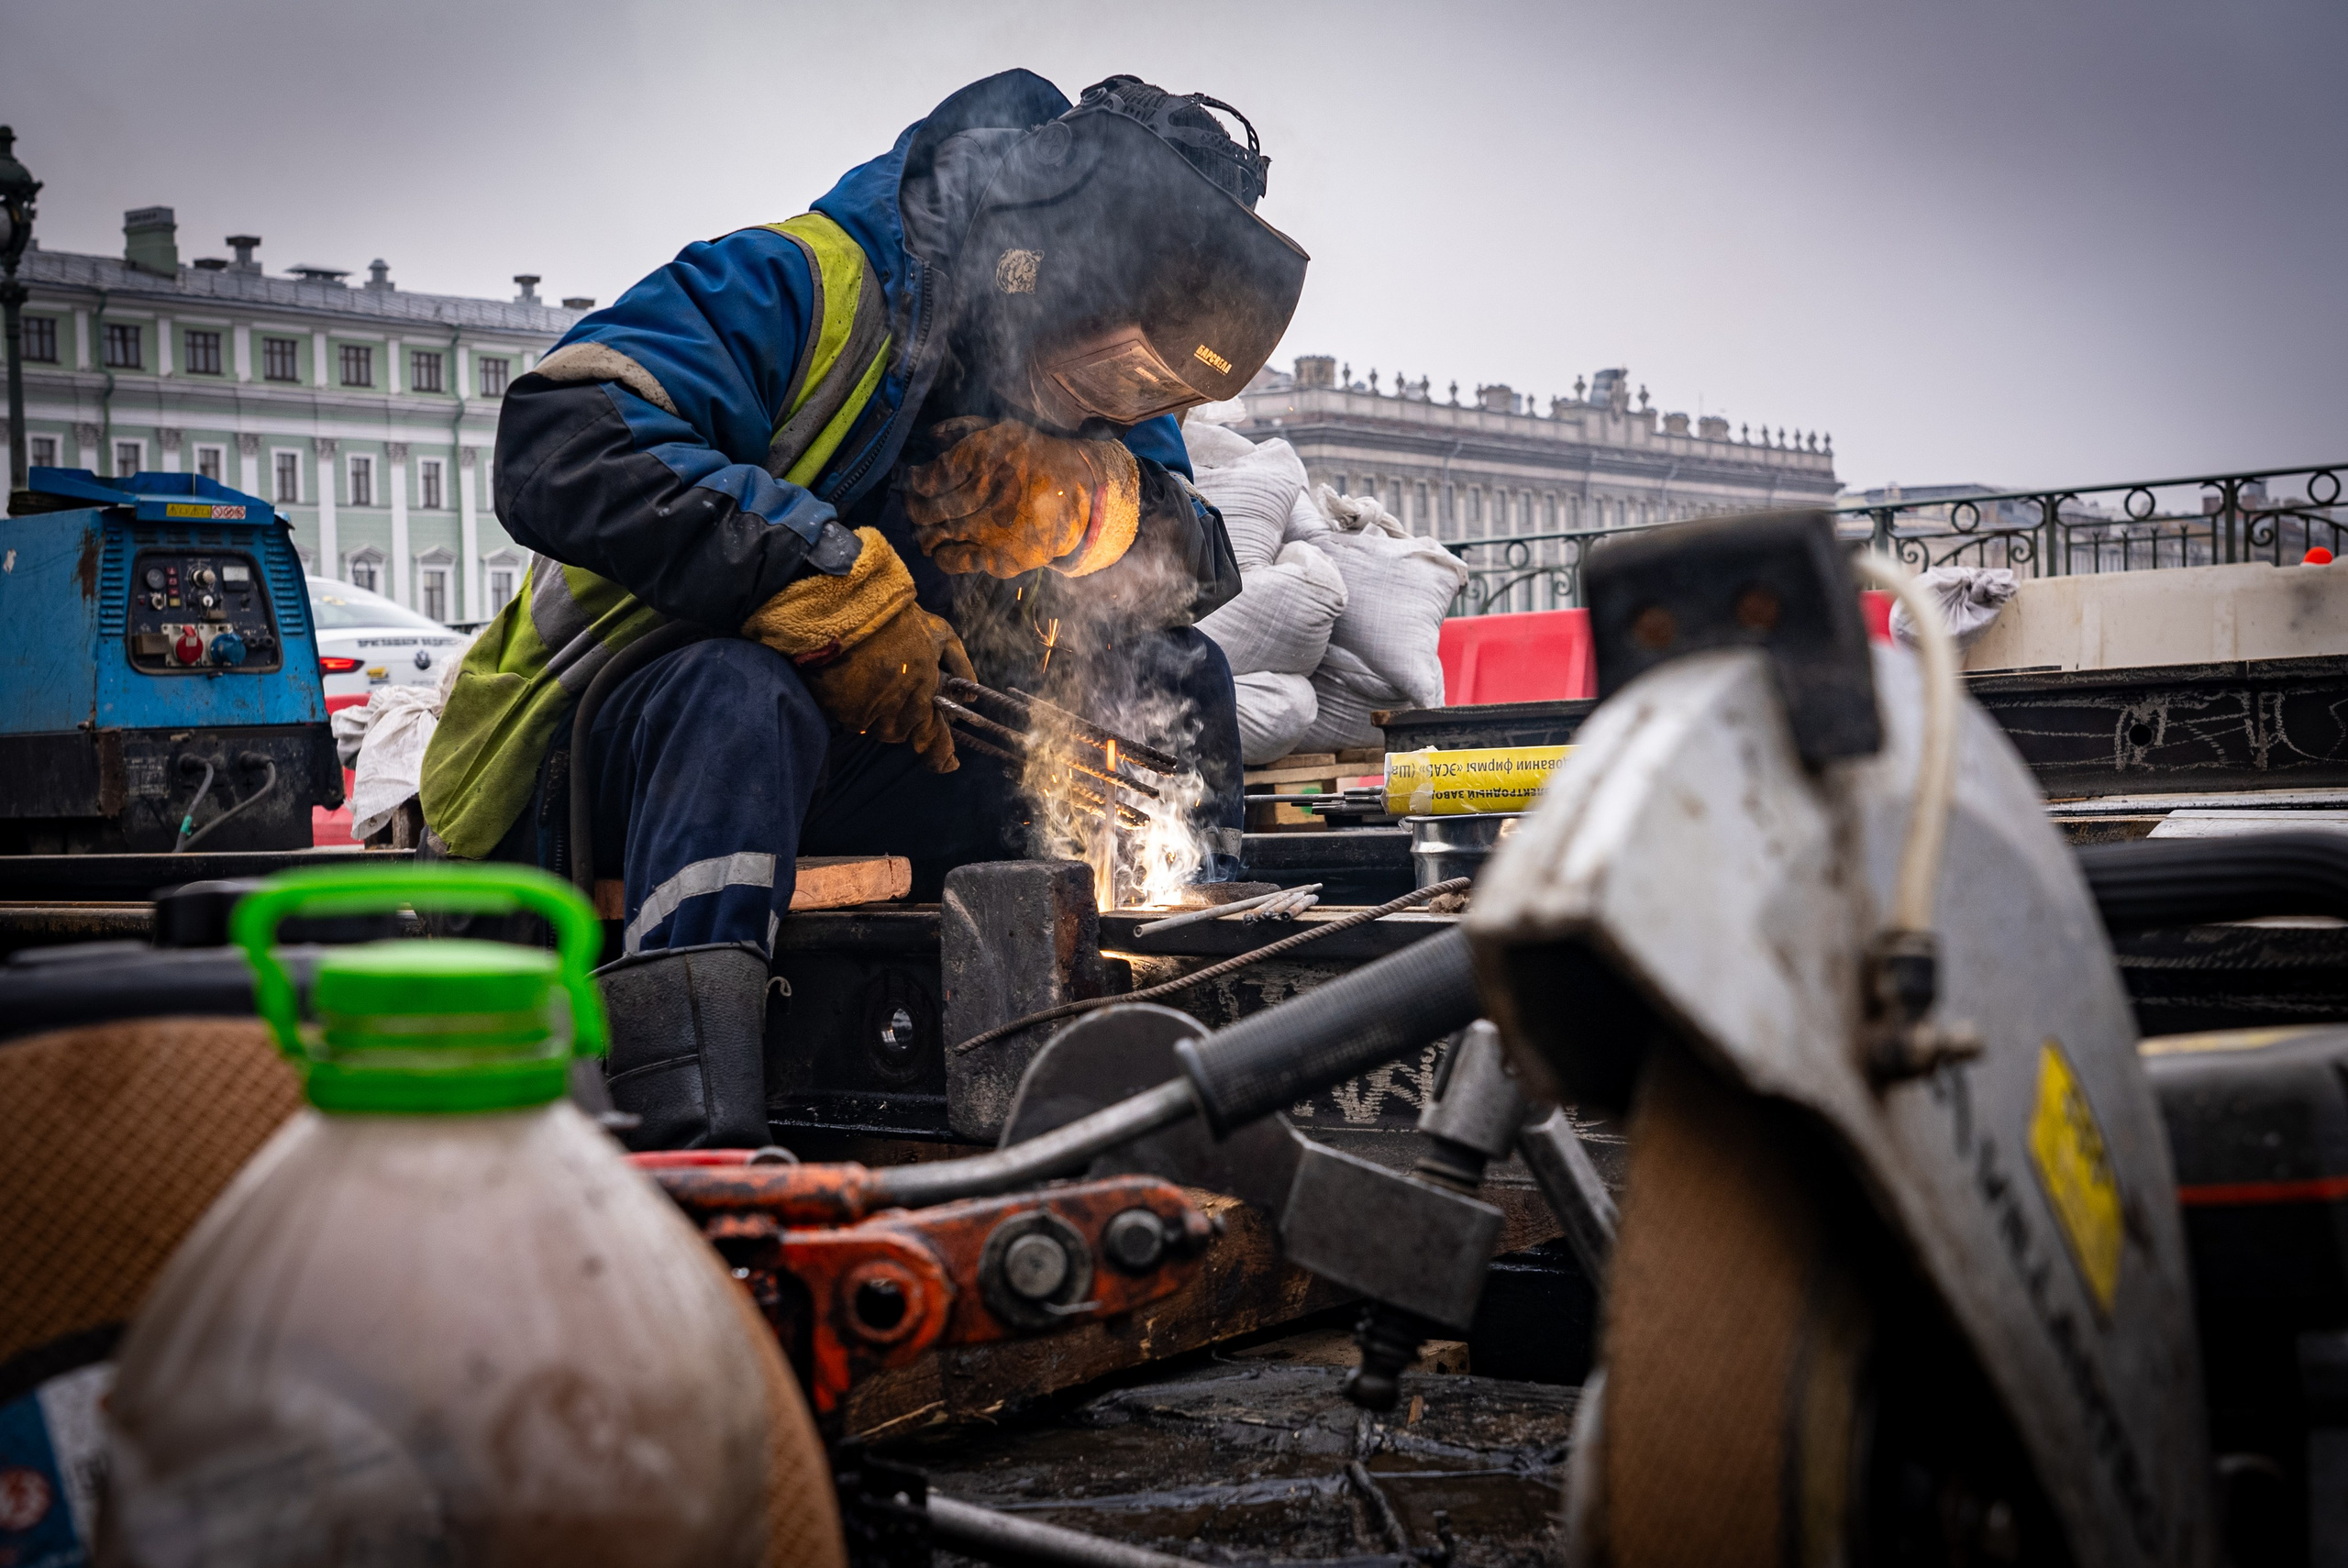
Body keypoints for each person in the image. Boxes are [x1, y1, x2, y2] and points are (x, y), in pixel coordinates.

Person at [417, 70, 1309, 1148]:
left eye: (1138, 392)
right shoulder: (806, 283)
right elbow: (559, 438)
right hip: (610, 774)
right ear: (1042, 261)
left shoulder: (1109, 388)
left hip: (869, 769)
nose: (1107, 406)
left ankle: (1184, 1076)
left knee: (1171, 676)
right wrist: (814, 575)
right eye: (1104, 372)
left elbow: (1198, 564)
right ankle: (690, 1131)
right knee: (739, 694)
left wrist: (1099, 504)